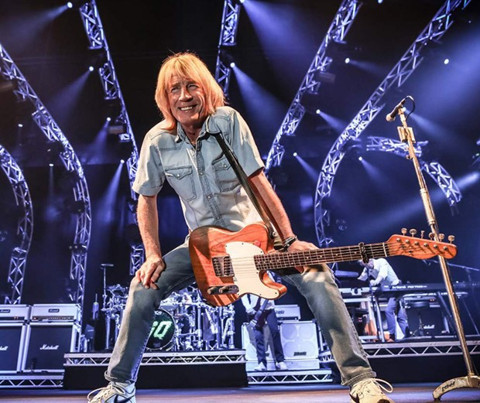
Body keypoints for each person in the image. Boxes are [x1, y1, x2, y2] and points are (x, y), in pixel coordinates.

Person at [88, 52, 395, 403]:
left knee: (316, 274)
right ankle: (120, 386)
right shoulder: (157, 141)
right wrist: (152, 254)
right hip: (203, 247)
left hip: (257, 235)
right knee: (143, 288)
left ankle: (361, 380)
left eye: (191, 86)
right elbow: (146, 199)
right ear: (165, 98)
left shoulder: (228, 122)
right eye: (174, 89)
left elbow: (259, 183)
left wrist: (289, 240)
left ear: (206, 90)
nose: (184, 96)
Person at [358, 258, 410, 342]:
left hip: (396, 287)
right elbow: (361, 278)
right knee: (400, 315)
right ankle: (407, 335)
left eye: (365, 263)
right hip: (389, 290)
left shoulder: (381, 262)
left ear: (370, 260)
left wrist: (375, 282)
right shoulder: (367, 268)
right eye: (363, 264)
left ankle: (392, 336)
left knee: (388, 310)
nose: (366, 266)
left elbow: (382, 275)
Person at [241, 292, 287, 371]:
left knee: (275, 331)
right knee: (258, 335)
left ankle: (280, 361)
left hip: (269, 307)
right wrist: (248, 307)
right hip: (255, 309)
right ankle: (261, 363)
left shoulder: (268, 281)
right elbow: (243, 293)